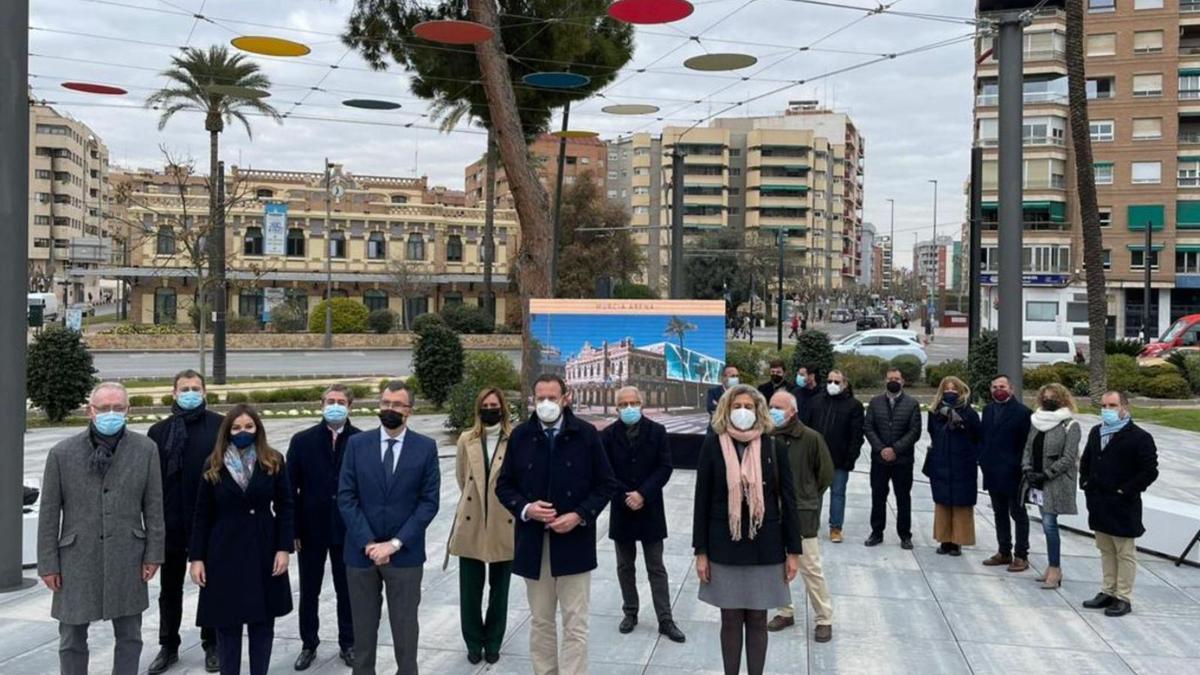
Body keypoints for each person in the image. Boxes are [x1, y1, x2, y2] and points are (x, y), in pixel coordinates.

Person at [38, 382, 165, 675]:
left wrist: (153, 554)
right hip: (76, 559)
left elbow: (154, 507)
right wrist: (48, 563)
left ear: (128, 411)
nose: (112, 414)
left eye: (118, 408)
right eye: (104, 408)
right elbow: (48, 514)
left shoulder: (145, 450)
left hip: (127, 555)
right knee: (71, 637)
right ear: (89, 411)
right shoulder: (62, 453)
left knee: (130, 636)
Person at [496, 374, 618, 675]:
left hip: (574, 542)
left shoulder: (587, 434)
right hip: (533, 543)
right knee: (540, 620)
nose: (546, 404)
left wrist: (579, 515)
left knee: (575, 622)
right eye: (541, 398)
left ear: (566, 398)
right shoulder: (521, 436)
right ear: (533, 400)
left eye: (553, 397)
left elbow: (606, 484)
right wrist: (526, 508)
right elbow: (504, 486)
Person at [693, 385, 801, 675]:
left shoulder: (774, 447)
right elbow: (700, 501)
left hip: (765, 546)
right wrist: (700, 551)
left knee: (757, 618)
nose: (743, 412)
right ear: (726, 410)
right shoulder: (713, 445)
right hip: (723, 546)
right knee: (729, 620)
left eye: (749, 406)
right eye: (737, 406)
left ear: (759, 411)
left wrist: (794, 551)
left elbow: (788, 501)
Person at [338, 380, 440, 675]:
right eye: (385, 403)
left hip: (405, 556)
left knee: (406, 632)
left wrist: (394, 544)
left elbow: (428, 503)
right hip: (361, 555)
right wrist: (369, 543)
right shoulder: (357, 445)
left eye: (396, 404)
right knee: (363, 633)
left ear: (409, 410)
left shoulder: (425, 448)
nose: (389, 409)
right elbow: (346, 497)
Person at [190, 404, 294, 675]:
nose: (243, 432)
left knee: (262, 622)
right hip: (223, 550)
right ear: (227, 431)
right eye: (236, 427)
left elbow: (286, 507)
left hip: (264, 546)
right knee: (227, 623)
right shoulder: (213, 463)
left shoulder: (273, 460)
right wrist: (197, 557)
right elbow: (202, 514)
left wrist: (284, 548)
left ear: (257, 429)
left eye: (248, 426)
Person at [147, 369, 224, 674]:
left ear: (204, 392)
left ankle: (212, 643)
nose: (190, 393)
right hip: (170, 521)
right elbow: (151, 482)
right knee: (170, 588)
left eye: (195, 388)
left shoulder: (219, 426)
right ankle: (169, 645)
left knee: (211, 585)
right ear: (174, 393)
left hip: (209, 521)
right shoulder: (159, 432)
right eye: (184, 388)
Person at [600, 386, 686, 643]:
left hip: (650, 508)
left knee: (656, 567)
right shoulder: (607, 435)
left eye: (634, 402)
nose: (629, 407)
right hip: (622, 507)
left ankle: (665, 619)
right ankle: (630, 612)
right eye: (624, 404)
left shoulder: (657, 431)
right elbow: (604, 472)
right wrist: (625, 495)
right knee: (625, 566)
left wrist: (643, 494)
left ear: (642, 403)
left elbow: (665, 467)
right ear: (617, 408)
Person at [287, 384, 362, 670]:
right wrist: (292, 530)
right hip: (310, 529)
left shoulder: (360, 440)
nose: (335, 405)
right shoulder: (302, 440)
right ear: (321, 404)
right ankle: (309, 643)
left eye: (340, 401)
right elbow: (289, 489)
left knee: (348, 590)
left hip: (348, 530)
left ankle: (349, 642)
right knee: (309, 589)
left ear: (349, 406)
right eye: (330, 400)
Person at [447, 387, 515, 665]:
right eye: (485, 404)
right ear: (479, 409)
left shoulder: (514, 438)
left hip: (503, 519)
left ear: (503, 408)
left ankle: (494, 641)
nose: (490, 409)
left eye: (494, 404)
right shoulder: (467, 439)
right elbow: (463, 479)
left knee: (500, 590)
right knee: (470, 589)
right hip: (472, 518)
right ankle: (474, 642)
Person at [1079, 391, 1159, 617]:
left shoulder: (1139, 437)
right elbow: (1087, 460)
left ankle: (1123, 596)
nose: (1107, 409)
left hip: (1123, 504)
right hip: (1098, 502)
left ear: (1124, 406)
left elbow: (1149, 471)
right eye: (1104, 405)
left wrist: (1125, 490)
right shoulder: (1097, 432)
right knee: (1105, 550)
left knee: (1124, 552)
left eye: (1112, 405)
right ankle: (1108, 590)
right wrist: (1085, 482)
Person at [765, 391, 834, 642]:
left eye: (778, 407)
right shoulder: (767, 437)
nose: (773, 410)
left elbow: (825, 474)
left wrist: (807, 497)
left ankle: (824, 618)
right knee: (776, 566)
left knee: (810, 568)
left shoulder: (811, 438)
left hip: (802, 514)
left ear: (793, 411)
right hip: (773, 513)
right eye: (770, 406)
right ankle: (785, 611)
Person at [1018, 384, 1081, 590]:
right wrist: (1027, 469)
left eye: (1053, 397)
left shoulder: (1070, 425)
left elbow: (1069, 457)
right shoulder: (1036, 422)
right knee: (1046, 524)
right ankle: (1051, 567)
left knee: (1049, 524)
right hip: (1035, 481)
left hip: (1054, 482)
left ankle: (1055, 568)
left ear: (1062, 399)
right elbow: (1028, 446)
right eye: (1045, 396)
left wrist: (1047, 474)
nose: (1048, 400)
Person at [801, 369, 864, 544]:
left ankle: (836, 528)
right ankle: (811, 526)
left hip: (840, 460)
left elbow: (856, 436)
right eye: (830, 381)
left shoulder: (854, 406)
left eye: (837, 382)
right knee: (814, 494)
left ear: (844, 384)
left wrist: (850, 459)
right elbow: (805, 429)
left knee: (838, 494)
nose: (832, 385)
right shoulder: (815, 402)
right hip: (815, 459)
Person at [978, 375, 1033, 572]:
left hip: (1014, 473)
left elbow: (1027, 445)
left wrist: (1021, 467)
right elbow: (983, 437)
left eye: (1002, 386)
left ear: (1011, 388)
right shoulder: (988, 410)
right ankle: (1003, 551)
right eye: (994, 387)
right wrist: (982, 458)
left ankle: (1021, 555)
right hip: (992, 471)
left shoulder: (1023, 413)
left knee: (1018, 513)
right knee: (999, 512)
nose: (998, 390)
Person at [863, 368, 922, 549]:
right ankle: (876, 533)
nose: (893, 381)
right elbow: (869, 427)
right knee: (878, 496)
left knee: (903, 497)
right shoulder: (875, 402)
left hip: (902, 461)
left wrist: (895, 449)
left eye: (897, 378)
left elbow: (915, 431)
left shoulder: (912, 404)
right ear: (885, 380)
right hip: (879, 460)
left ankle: (905, 535)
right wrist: (881, 449)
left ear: (903, 381)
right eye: (890, 378)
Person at [924, 376, 982, 556]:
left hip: (962, 463)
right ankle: (944, 540)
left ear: (960, 390)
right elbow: (932, 433)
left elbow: (977, 436)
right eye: (947, 389)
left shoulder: (968, 413)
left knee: (961, 504)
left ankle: (958, 541)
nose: (950, 392)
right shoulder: (934, 412)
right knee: (942, 503)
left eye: (954, 389)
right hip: (941, 461)